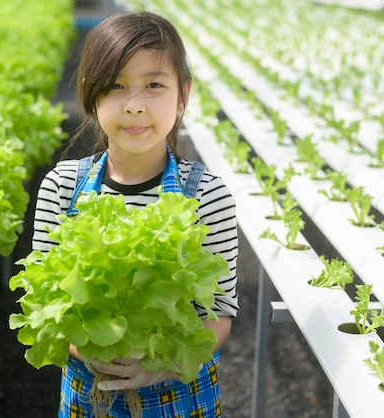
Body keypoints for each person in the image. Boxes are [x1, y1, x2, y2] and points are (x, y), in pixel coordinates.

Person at [31, 10, 239, 417]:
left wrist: (159, 366)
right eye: (115, 86)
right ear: (91, 97)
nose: (134, 105)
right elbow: (43, 307)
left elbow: (219, 315)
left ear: (183, 96)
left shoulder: (208, 196)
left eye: (154, 85)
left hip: (178, 392)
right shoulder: (62, 187)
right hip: (90, 396)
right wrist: (89, 347)